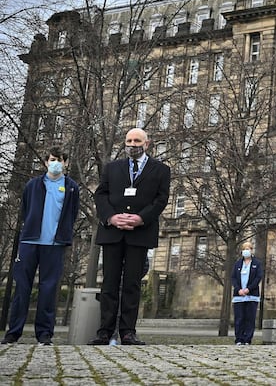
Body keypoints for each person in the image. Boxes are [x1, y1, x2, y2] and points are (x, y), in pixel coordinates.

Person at [89, 128, 170, 346]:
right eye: (129, 141)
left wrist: (140, 218)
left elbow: (161, 199)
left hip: (140, 233)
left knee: (132, 284)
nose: (132, 145)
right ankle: (104, 331)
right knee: (109, 283)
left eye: (137, 141)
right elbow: (101, 194)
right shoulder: (112, 168)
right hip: (113, 232)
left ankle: (127, 332)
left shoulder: (161, 170)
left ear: (147, 143)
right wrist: (111, 217)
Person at [1, 147, 80, 346]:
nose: (56, 163)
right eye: (52, 159)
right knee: (22, 288)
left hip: (54, 245)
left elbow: (72, 212)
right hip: (29, 243)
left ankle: (44, 334)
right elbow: (25, 209)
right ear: (46, 162)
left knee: (49, 289)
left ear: (66, 163)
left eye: (60, 160)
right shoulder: (32, 185)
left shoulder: (71, 187)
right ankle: (13, 333)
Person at [231, 241, 263, 345]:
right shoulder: (237, 264)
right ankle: (239, 339)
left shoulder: (256, 263)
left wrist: (248, 289)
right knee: (239, 318)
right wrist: (238, 289)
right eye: (244, 249)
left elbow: (258, 277)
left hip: (251, 295)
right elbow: (233, 278)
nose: (246, 251)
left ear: (251, 250)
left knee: (250, 318)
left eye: (248, 248)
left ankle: (247, 339)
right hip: (239, 296)